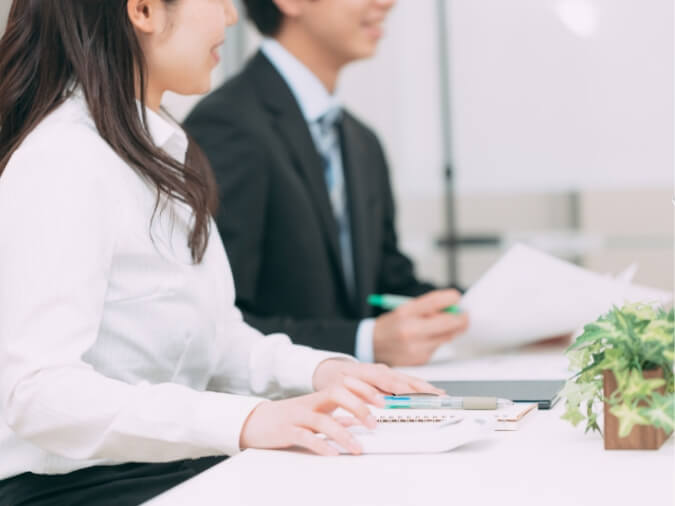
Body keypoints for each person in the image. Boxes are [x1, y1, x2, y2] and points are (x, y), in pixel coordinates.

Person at [0, 1, 441, 504]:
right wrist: (247, 419)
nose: (231, 17)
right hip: (73, 489)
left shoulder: (160, 151)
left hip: (160, 469)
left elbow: (217, 339)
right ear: (143, 10)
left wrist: (323, 371)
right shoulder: (64, 160)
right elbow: (38, 392)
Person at [183, 0, 470, 367]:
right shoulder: (227, 125)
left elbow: (388, 286)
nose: (386, 3)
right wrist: (363, 342)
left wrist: (492, 311)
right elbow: (215, 322)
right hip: (280, 399)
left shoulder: (361, 141)